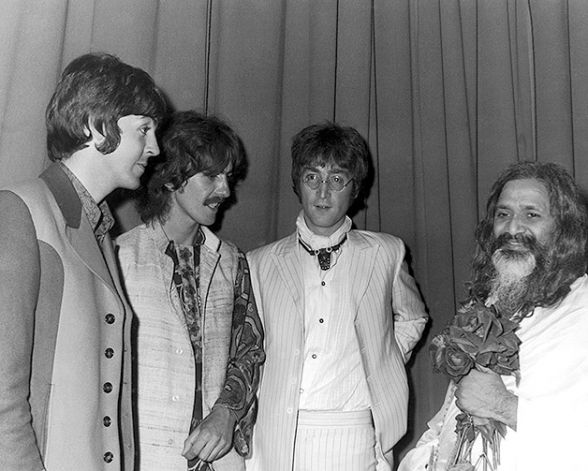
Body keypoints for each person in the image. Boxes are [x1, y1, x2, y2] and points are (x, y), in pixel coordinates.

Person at [0, 53, 166, 471]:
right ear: (96, 125)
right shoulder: (20, 212)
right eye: (144, 129)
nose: (155, 148)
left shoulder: (99, 229)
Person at [245, 122, 429, 471]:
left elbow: (413, 317)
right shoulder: (259, 263)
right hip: (280, 434)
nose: (323, 192)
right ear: (297, 183)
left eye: (337, 179)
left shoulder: (386, 252)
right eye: (312, 177)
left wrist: (380, 355)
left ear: (355, 188)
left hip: (355, 431)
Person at [399, 161, 588, 471]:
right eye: (503, 214)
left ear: (563, 229)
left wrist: (503, 406)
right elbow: (452, 412)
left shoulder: (582, 313)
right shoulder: (494, 304)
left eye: (531, 214)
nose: (513, 229)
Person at [116, 110, 265, 471]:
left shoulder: (231, 261)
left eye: (228, 177)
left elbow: (250, 349)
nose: (225, 191)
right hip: (145, 457)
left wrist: (227, 414)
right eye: (211, 176)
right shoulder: (119, 258)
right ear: (170, 178)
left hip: (219, 460)